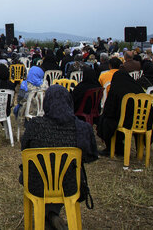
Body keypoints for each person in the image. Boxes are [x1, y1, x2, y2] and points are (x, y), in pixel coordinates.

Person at [20, 85, 98, 229]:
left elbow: (24, 148)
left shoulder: (35, 125)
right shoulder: (81, 127)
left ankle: (49, 214)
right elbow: (89, 156)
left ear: (47, 102)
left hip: (37, 184)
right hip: (69, 184)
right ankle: (51, 214)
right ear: (69, 101)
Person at [96, 71, 153, 155]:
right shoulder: (138, 89)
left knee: (106, 121)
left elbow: (109, 110)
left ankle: (113, 148)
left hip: (125, 123)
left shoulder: (116, 90)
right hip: (144, 121)